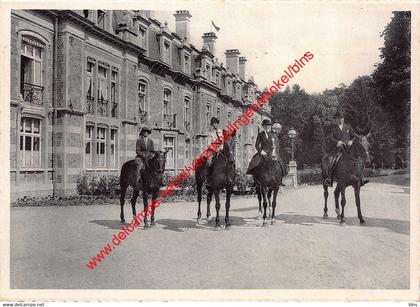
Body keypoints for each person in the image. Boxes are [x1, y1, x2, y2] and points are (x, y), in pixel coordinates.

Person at [324, 111, 369, 187]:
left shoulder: (348, 126)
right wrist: (337, 142)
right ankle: (329, 179)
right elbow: (330, 138)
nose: (342, 120)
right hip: (338, 149)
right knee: (332, 161)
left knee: (357, 161)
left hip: (348, 149)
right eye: (340, 118)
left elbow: (354, 136)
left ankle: (361, 177)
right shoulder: (332, 128)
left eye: (342, 118)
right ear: (336, 119)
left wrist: (351, 141)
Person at [206, 117, 224, 188]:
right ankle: (208, 179)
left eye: (213, 124)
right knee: (209, 162)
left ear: (216, 124)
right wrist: (215, 149)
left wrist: (220, 148)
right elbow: (209, 144)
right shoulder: (211, 134)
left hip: (221, 150)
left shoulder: (221, 133)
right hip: (212, 151)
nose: (213, 126)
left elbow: (222, 143)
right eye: (212, 124)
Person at [271, 122, 287, 186]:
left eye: (279, 130)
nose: (279, 131)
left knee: (282, 165)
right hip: (273, 153)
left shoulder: (276, 136)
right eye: (278, 130)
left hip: (277, 154)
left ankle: (280, 180)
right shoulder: (272, 136)